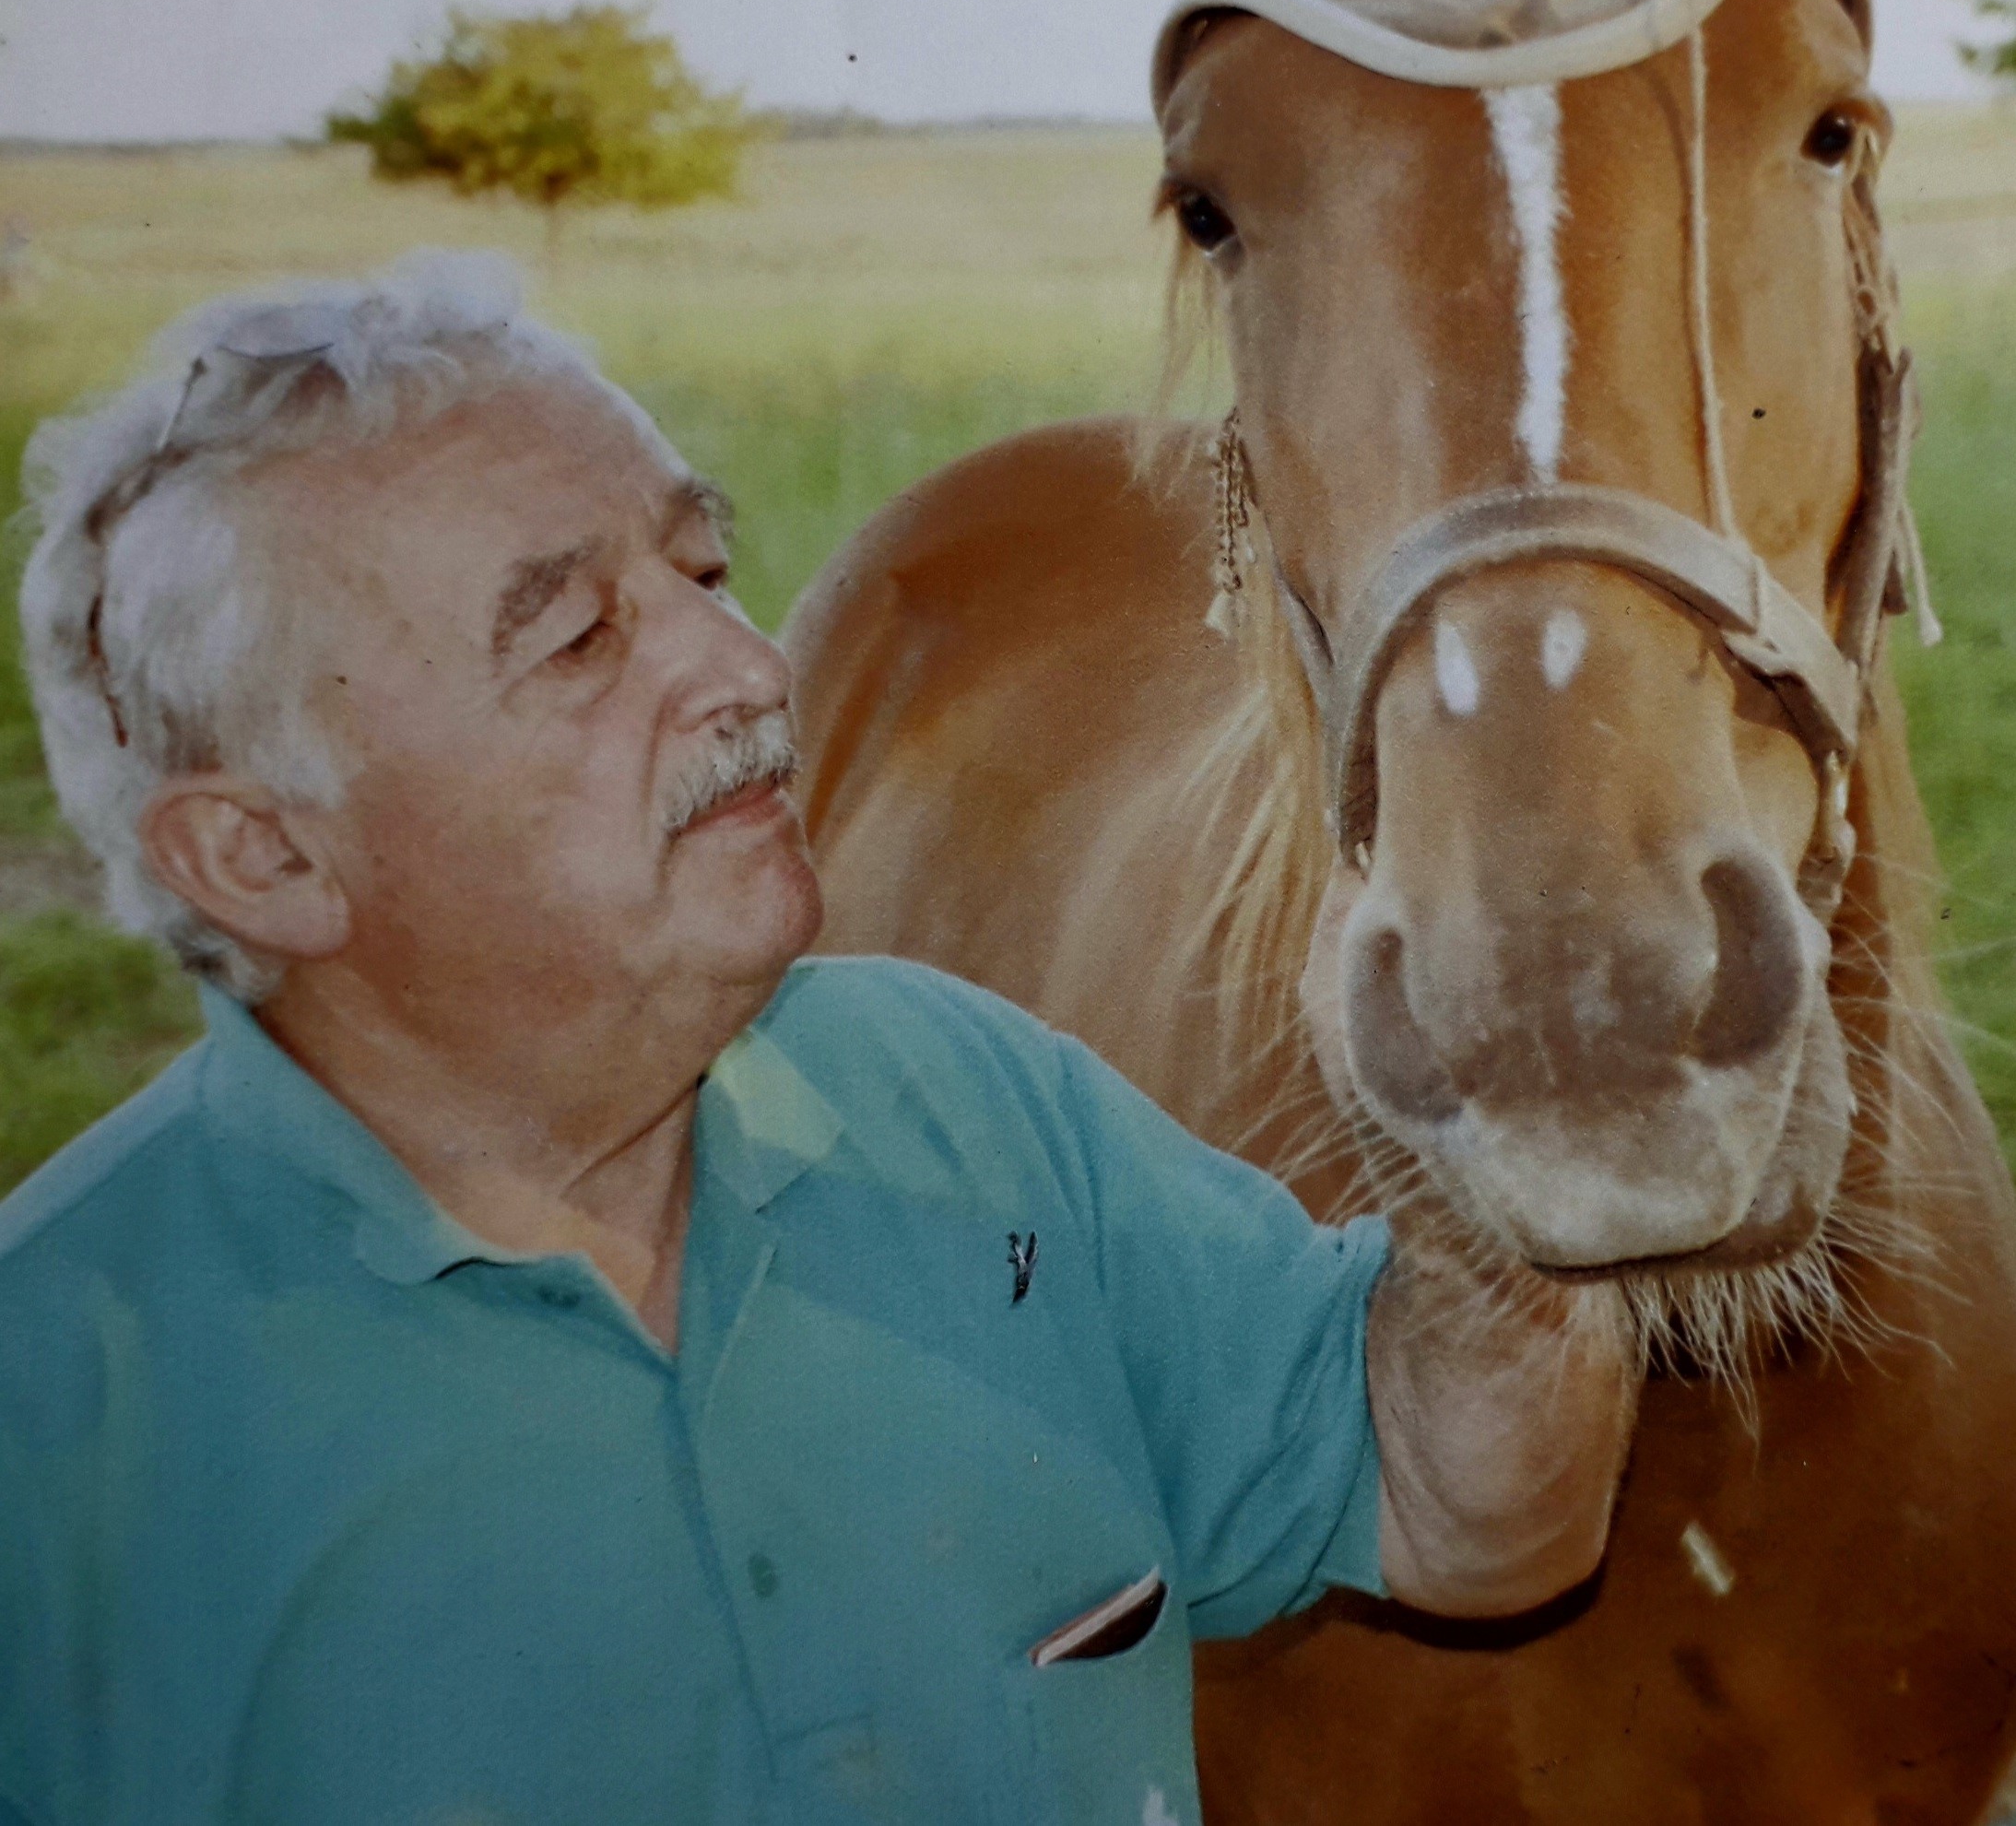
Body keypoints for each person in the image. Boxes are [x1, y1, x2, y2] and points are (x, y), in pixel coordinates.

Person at [1, 253, 1635, 1826]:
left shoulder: (963, 1095)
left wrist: (1480, 1179)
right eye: (576, 639)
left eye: (702, 575)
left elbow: (1466, 1516)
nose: (747, 667)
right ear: (267, 858)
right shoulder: (53, 1431)